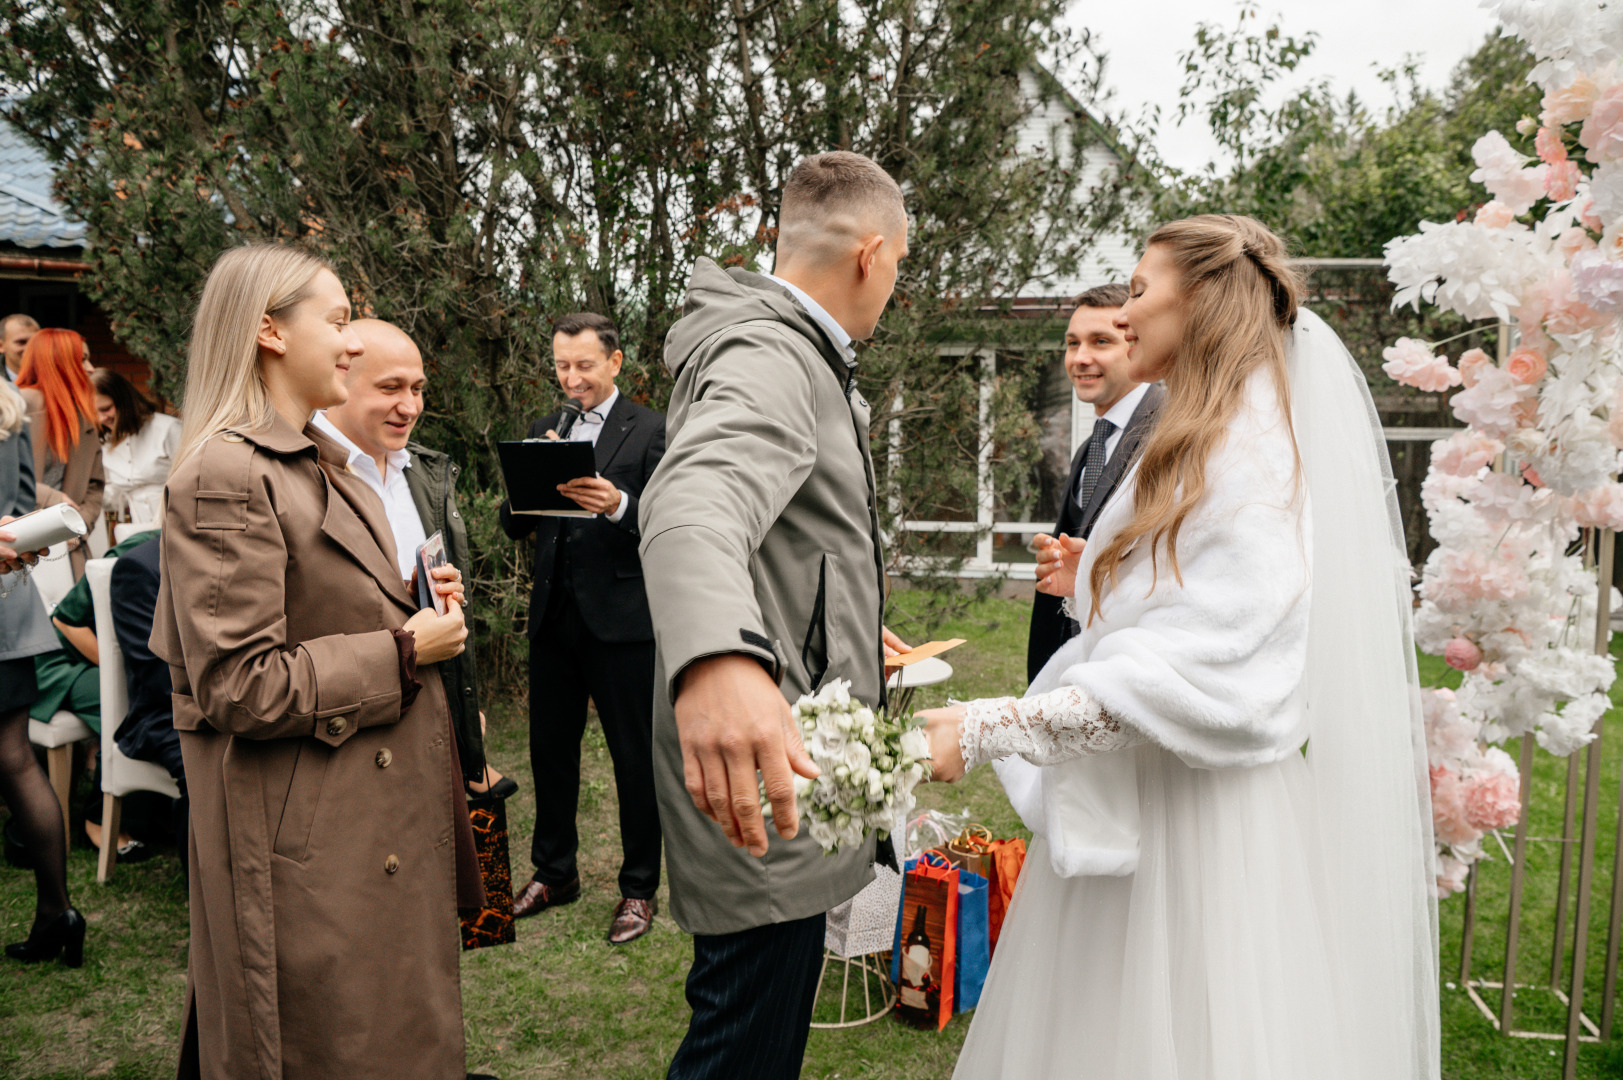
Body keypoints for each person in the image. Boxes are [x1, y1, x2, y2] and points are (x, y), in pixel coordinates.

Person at [920, 215, 1439, 1078]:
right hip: (1142, 808)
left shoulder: (1252, 454)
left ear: (1198, 303)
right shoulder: (1206, 434)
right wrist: (1103, 577)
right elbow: (1179, 606)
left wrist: (984, 728)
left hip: (1199, 839)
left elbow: (1200, 667)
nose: (1122, 320)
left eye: (1135, 291)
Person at [150, 242, 486, 1080]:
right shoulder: (228, 474)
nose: (348, 342)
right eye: (336, 321)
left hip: (370, 828)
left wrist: (414, 603)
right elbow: (238, 684)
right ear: (268, 331)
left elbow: (325, 609)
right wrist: (405, 647)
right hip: (314, 850)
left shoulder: (320, 463)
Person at [640, 151, 912, 1079]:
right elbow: (694, 504)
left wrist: (842, 621)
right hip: (764, 780)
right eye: (898, 271)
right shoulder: (770, 352)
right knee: (740, 1054)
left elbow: (787, 541)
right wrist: (717, 658)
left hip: (787, 759)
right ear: (871, 254)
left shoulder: (785, 346)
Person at [499, 311, 666, 944]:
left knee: (633, 759)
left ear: (615, 362)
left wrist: (619, 504)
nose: (572, 379)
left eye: (584, 366)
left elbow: (671, 520)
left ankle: (639, 887)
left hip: (623, 623)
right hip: (553, 619)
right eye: (562, 366)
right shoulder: (545, 427)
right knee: (551, 751)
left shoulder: (650, 430)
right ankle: (554, 872)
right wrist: (528, 477)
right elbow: (514, 527)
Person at [313, 318, 495, 797]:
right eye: (390, 387)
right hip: (347, 741)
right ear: (338, 380)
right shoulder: (298, 476)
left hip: (430, 726)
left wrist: (458, 703)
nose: (410, 406)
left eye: (417, 388)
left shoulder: (424, 472)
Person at [1025, 284, 1162, 683]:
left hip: (1134, 672)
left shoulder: (1169, 435)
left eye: (1100, 341)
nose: (1080, 358)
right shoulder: (1091, 446)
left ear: (1134, 343)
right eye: (1072, 344)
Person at [0, 375, 87, 967]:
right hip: (9, 605)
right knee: (16, 758)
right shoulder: (9, 407)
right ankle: (56, 910)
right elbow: (20, 510)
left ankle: (56, 913)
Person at [109, 533, 189, 868]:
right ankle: (212, 905)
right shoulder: (140, 566)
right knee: (213, 765)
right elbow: (160, 679)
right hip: (165, 714)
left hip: (239, 697)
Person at [17, 328, 104, 578]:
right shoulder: (19, 406)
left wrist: (78, 524)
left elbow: (96, 484)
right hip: (17, 544)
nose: (90, 368)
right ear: (58, 363)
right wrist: (52, 500)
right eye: (82, 359)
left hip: (69, 544)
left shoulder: (84, 417)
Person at [94, 367, 181, 528]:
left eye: (106, 409)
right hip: (142, 531)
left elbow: (193, 481)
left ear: (124, 400)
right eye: (94, 413)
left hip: (179, 526)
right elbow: (113, 497)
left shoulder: (168, 429)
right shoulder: (105, 444)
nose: (101, 419)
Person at [2, 313, 37, 381]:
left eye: (34, 342)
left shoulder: (54, 376)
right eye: (21, 342)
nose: (29, 348)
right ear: (1, 346)